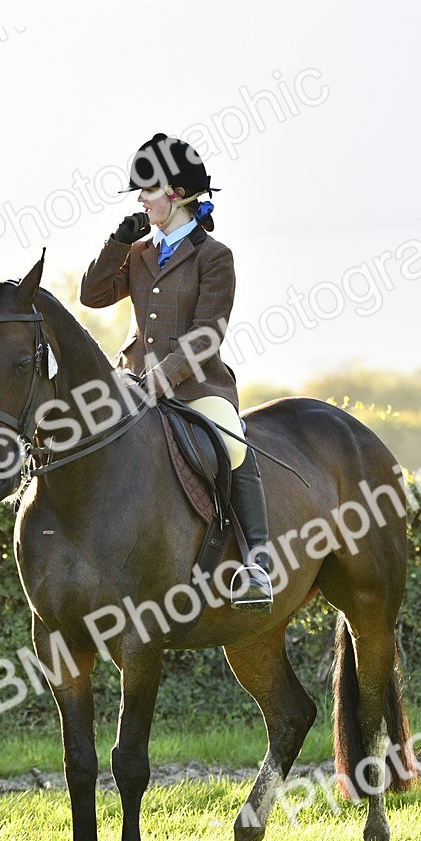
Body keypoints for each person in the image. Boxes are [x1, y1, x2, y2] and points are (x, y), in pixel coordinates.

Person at [78, 132, 273, 612]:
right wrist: (117, 243)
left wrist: (158, 383)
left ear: (178, 194)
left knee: (230, 442)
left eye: (148, 191)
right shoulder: (140, 252)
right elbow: (92, 295)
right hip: (131, 380)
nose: (142, 201)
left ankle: (258, 565)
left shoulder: (215, 256)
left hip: (197, 385)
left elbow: (207, 335)